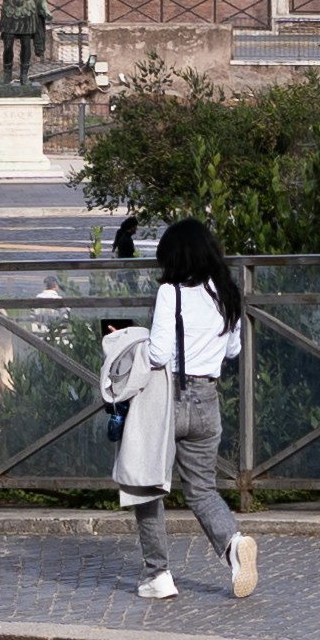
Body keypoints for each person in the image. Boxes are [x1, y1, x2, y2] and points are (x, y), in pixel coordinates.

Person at [127, 212, 253, 602]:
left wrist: (132, 345)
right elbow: (233, 349)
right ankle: (232, 544)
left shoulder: (171, 293)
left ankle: (158, 574)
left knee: (147, 486)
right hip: (207, 401)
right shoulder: (226, 294)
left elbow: (160, 352)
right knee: (201, 489)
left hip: (169, 400)